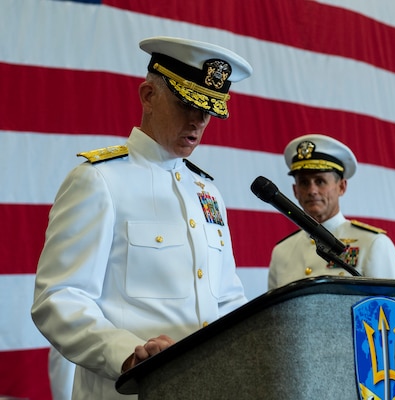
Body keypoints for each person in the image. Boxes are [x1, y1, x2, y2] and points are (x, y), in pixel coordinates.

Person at [31, 36, 252, 399]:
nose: (198, 120)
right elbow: (59, 298)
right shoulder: (99, 180)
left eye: (209, 110)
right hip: (130, 391)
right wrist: (127, 354)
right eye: (186, 103)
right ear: (148, 95)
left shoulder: (207, 193)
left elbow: (227, 299)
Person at [268, 133, 395, 289]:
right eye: (304, 183)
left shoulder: (373, 243)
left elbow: (393, 308)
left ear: (341, 187)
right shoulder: (282, 252)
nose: (312, 190)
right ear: (295, 190)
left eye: (320, 181)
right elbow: (274, 313)